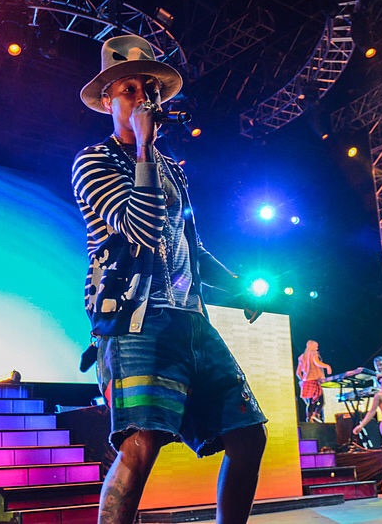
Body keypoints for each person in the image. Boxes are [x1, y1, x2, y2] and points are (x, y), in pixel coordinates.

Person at [72, 34, 268, 524]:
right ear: (108, 101)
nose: (143, 98)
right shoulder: (92, 162)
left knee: (248, 435)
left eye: (149, 90)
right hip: (136, 319)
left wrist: (237, 284)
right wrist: (142, 146)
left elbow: (190, 247)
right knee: (142, 444)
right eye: (131, 89)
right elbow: (140, 227)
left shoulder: (171, 171)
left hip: (190, 319)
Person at [296, 340, 332, 423]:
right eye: (316, 346)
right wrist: (327, 366)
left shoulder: (302, 357)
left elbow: (298, 372)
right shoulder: (313, 353)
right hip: (314, 381)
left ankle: (310, 418)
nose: (317, 347)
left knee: (311, 402)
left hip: (306, 382)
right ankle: (315, 415)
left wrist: (303, 380)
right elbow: (317, 362)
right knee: (321, 401)